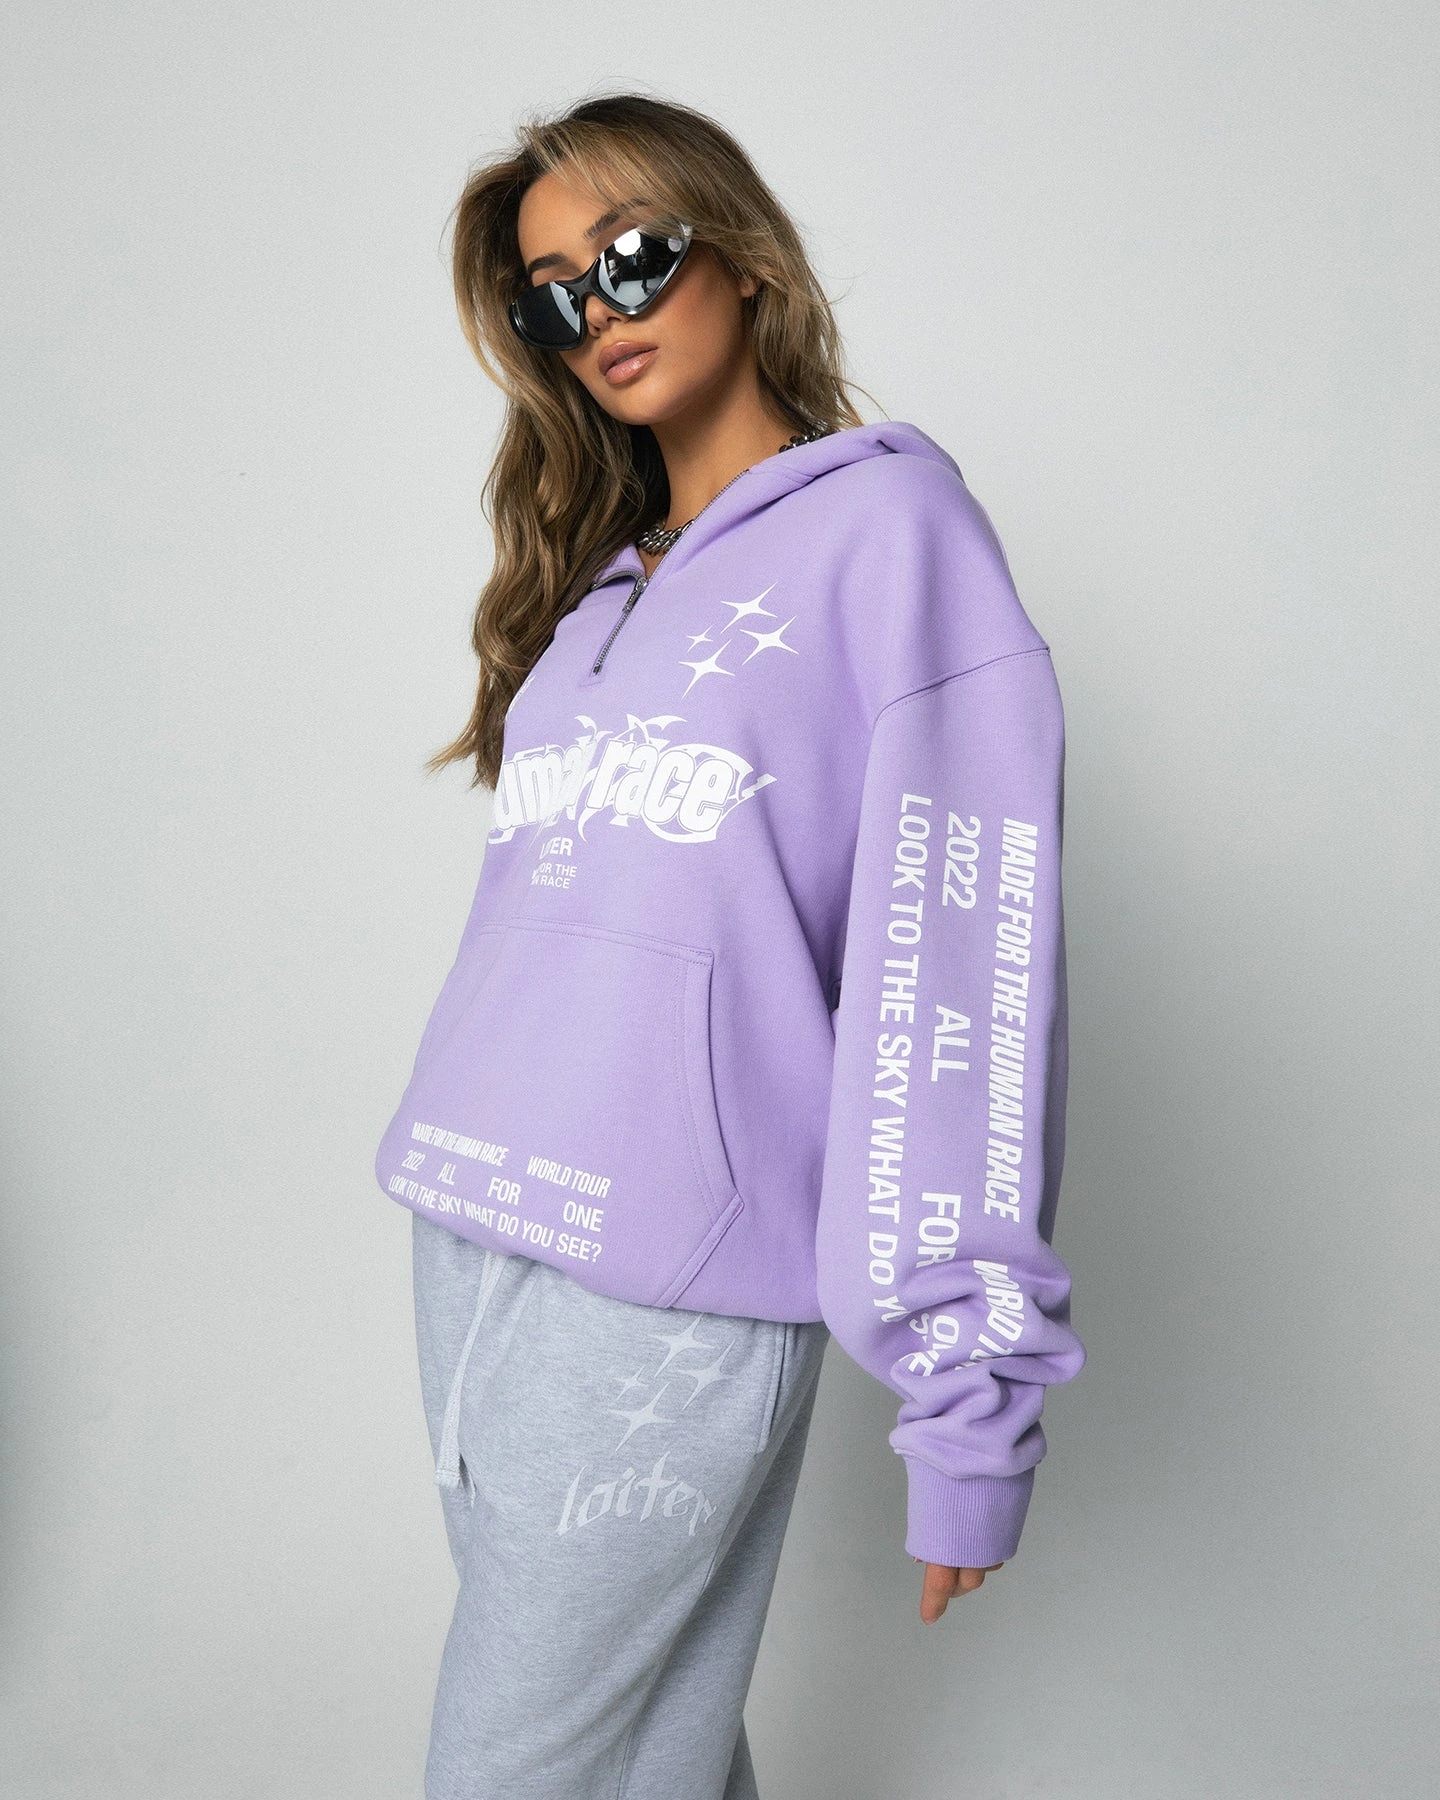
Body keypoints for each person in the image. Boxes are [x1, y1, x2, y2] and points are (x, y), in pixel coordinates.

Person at [375, 91, 1086, 1799]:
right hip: (473, 1228)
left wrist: (971, 1404)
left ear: (742, 255)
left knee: (516, 1769)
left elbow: (962, 972)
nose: (595, 313)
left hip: (672, 1273)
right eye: (552, 294)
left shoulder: (892, 537)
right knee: (646, 1759)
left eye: (627, 258)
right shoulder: (596, 592)